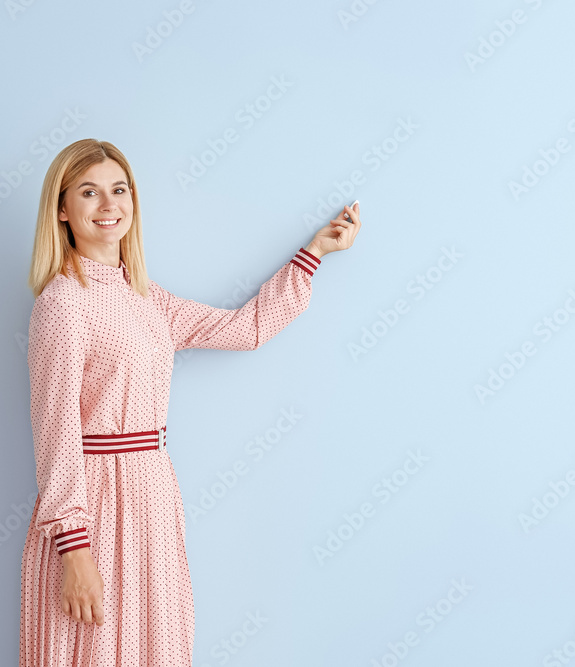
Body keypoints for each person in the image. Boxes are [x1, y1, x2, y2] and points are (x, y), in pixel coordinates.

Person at [19, 138, 360, 666]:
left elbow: (243, 329)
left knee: (154, 645)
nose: (110, 205)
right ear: (62, 210)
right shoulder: (63, 303)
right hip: (95, 505)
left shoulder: (147, 298)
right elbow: (55, 431)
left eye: (119, 189)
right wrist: (74, 549)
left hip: (152, 496)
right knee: (92, 649)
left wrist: (314, 253)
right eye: (89, 193)